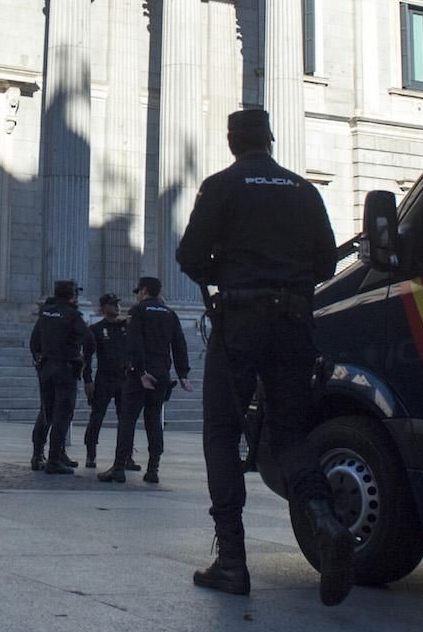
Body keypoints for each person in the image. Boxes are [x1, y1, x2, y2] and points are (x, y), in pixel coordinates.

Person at [177, 105, 354, 605]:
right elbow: (326, 260)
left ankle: (232, 560)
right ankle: (324, 518)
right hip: (295, 323)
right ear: (271, 140)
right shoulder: (303, 189)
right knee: (291, 430)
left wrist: (228, 270)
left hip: (241, 321)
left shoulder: (222, 186)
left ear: (234, 143)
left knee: (221, 432)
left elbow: (189, 257)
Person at [100, 276, 191, 484]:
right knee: (154, 420)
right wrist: (182, 373)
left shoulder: (138, 311)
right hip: (161, 373)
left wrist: (139, 371)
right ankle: (153, 468)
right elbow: (179, 344)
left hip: (140, 374)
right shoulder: (170, 313)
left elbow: (133, 342)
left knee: (128, 420)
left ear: (143, 291)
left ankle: (119, 466)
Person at [28, 280, 90, 475]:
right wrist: (81, 357)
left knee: (46, 412)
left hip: (46, 368)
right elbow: (89, 339)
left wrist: (39, 358)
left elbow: (34, 341)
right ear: (72, 295)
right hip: (65, 368)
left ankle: (38, 455)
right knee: (62, 414)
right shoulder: (72, 315)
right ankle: (55, 458)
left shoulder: (45, 313)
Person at [82, 294, 131, 469]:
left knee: (125, 419)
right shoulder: (96, 329)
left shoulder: (126, 327)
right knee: (97, 417)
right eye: (112, 304)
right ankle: (91, 453)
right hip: (104, 378)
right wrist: (87, 380)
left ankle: (127, 455)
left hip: (124, 378)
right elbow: (86, 357)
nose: (117, 307)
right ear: (103, 308)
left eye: (118, 304)